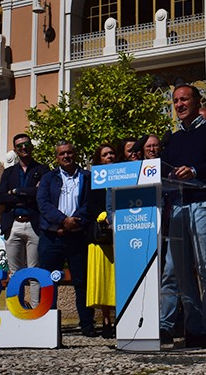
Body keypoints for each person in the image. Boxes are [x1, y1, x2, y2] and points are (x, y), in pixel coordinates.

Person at [160, 84, 206, 348]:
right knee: (181, 273)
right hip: (178, 206)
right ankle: (193, 328)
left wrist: (193, 170)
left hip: (203, 205)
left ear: (197, 101)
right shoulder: (173, 139)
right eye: (175, 101)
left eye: (184, 99)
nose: (179, 105)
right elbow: (165, 170)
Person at [37, 141, 96, 336]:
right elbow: (43, 204)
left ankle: (87, 325)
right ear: (57, 157)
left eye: (69, 152)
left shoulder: (87, 177)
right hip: (52, 237)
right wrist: (62, 221)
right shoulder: (48, 178)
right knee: (48, 281)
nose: (66, 156)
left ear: (75, 154)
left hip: (77, 236)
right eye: (62, 154)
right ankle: (47, 326)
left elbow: (90, 204)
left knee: (81, 282)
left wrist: (74, 222)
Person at [0, 133, 49, 308]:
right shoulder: (8, 172)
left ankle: (35, 310)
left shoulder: (42, 170)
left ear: (31, 146)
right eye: (19, 146)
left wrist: (16, 191)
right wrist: (26, 193)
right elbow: (1, 197)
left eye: (26, 144)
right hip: (13, 225)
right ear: (15, 150)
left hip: (34, 224)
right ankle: (15, 309)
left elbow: (41, 193)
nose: (24, 148)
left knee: (35, 271)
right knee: (14, 272)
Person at [87, 143, 118, 338]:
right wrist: (103, 216)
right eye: (105, 154)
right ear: (99, 160)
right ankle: (106, 321)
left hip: (120, 235)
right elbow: (88, 205)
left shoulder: (123, 176)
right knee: (104, 281)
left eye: (112, 153)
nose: (110, 157)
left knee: (117, 280)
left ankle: (119, 318)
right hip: (100, 238)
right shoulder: (93, 180)